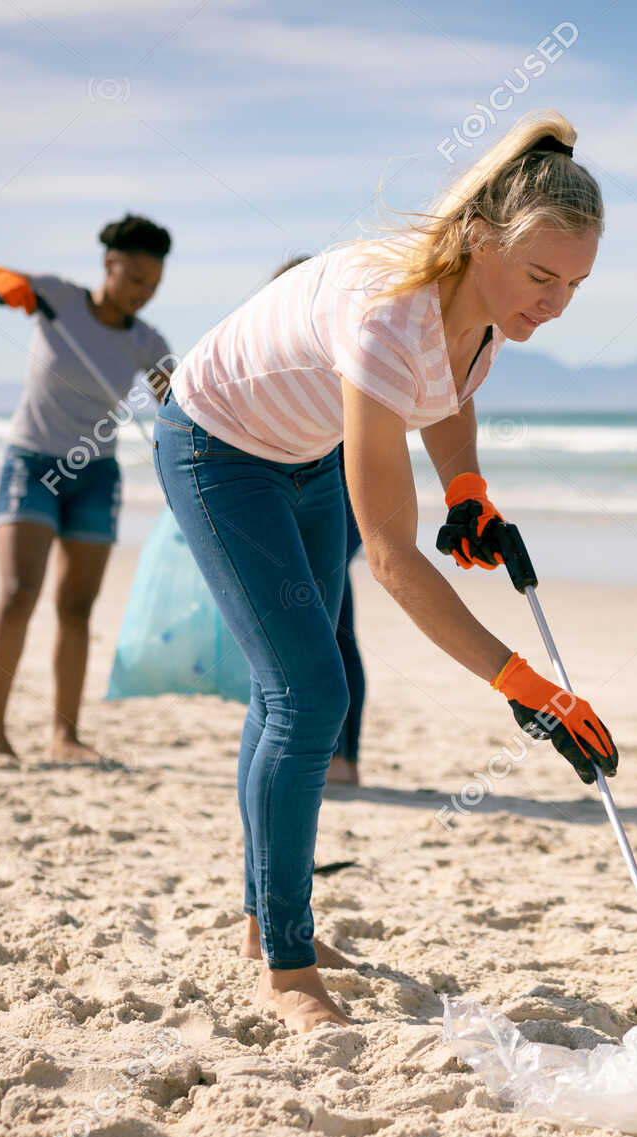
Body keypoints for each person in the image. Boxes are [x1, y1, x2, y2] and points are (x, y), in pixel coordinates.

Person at [153, 111, 615, 1032]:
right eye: (539, 277)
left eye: (574, 284)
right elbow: (396, 561)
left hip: (310, 453)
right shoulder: (385, 318)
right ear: (480, 239)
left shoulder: (484, 314)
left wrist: (468, 489)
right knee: (309, 696)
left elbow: (447, 395)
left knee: (286, 689)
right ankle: (284, 970)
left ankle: (264, 923)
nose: (555, 303)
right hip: (218, 451)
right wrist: (525, 686)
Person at [0, 214, 175, 763]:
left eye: (154, 284)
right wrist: (2, 281)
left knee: (77, 609)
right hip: (32, 465)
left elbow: (179, 406)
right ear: (109, 265)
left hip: (95, 475)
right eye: (135, 278)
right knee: (19, 593)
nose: (143, 293)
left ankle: (64, 737)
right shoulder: (57, 298)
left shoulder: (148, 341)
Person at [267, 253, 366, 787]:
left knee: (333, 624)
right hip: (292, 501)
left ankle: (343, 757)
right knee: (315, 625)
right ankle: (320, 751)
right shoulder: (274, 357)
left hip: (343, 503)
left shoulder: (348, 357)